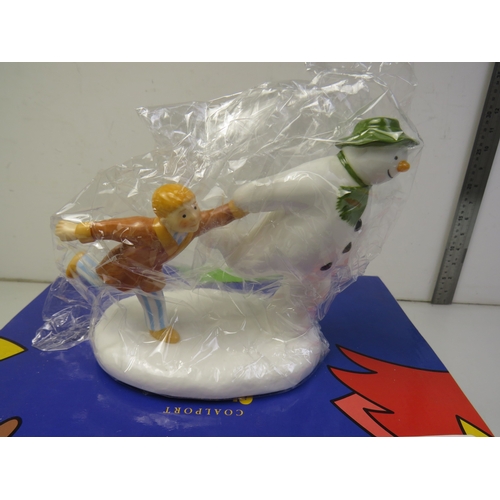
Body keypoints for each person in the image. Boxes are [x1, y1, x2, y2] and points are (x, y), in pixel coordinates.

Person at [55, 183, 247, 343]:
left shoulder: (193, 226)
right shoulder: (144, 229)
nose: (194, 217)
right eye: (183, 215)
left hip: (151, 269)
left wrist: (237, 208)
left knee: (153, 293)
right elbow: (112, 228)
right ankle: (81, 262)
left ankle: (158, 328)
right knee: (100, 282)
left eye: (195, 207)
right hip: (126, 265)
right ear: (164, 219)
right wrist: (78, 230)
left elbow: (215, 217)